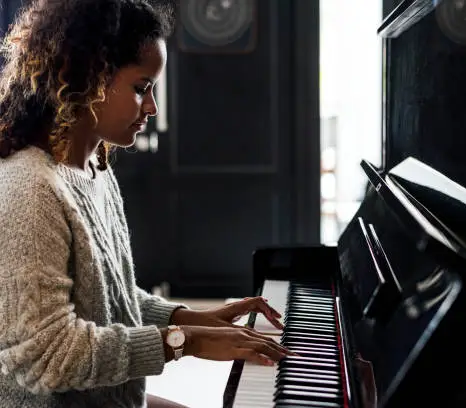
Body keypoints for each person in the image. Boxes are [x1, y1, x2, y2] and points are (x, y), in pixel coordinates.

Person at [0, 1, 292, 407]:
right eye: (141, 88)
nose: (152, 107)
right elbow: (44, 356)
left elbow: (106, 299)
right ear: (86, 76)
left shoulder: (95, 170)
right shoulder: (29, 189)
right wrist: (183, 342)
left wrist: (186, 318)